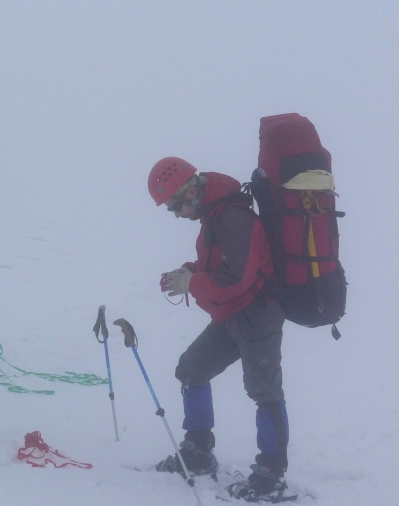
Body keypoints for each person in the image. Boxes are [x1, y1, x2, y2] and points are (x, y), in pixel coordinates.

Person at [147, 157, 292, 502]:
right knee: (191, 369)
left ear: (192, 191)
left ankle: (271, 475)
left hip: (257, 312)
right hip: (231, 313)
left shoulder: (234, 218)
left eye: (175, 206)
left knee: (264, 390)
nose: (177, 214)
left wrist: (192, 282)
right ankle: (198, 452)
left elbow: (236, 278)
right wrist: (188, 270)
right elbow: (220, 264)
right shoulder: (214, 216)